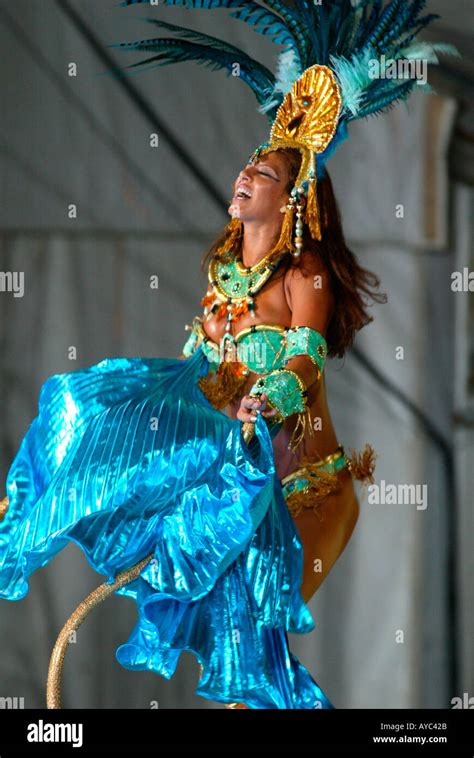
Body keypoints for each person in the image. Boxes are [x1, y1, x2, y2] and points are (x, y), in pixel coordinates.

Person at [0, 0, 456, 710]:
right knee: (96, 402)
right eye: (248, 164)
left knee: (248, 650)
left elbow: (302, 367)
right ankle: (34, 502)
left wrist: (263, 399)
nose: (246, 174)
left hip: (304, 495)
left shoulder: (304, 278)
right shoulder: (222, 274)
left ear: (294, 199)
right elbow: (202, 369)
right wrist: (200, 362)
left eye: (265, 173)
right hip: (232, 473)